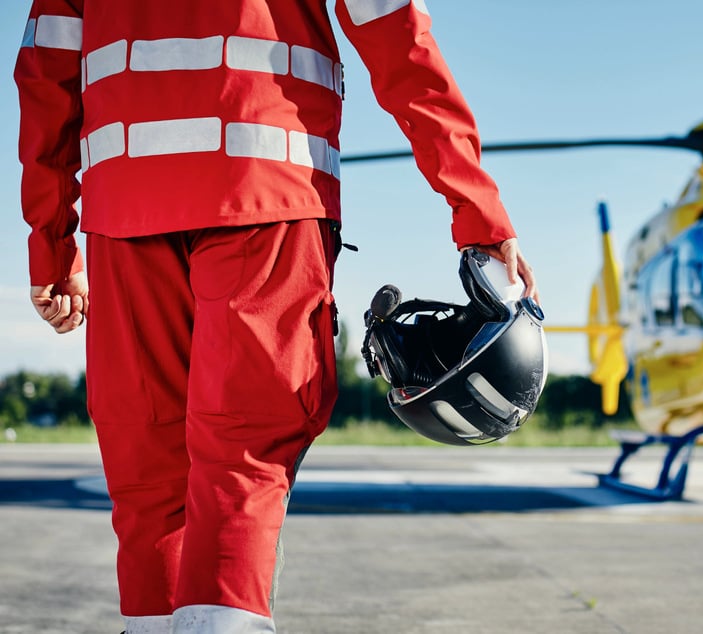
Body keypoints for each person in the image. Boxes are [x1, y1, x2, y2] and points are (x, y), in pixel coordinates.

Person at [16, 1, 537, 632]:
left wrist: (51, 241)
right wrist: (476, 207)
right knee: (243, 447)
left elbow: (47, 70)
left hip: (124, 206)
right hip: (267, 190)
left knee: (146, 460)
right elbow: (399, 41)